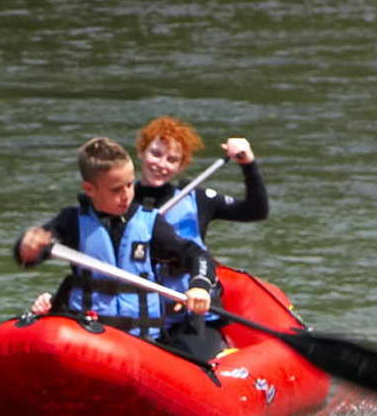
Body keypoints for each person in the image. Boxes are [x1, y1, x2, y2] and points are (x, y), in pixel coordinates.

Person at [14, 136, 214, 342]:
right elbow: (29, 255)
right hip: (87, 335)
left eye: (129, 185)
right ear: (90, 190)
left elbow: (196, 254)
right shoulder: (71, 221)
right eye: (116, 189)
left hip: (142, 340)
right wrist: (28, 247)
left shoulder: (149, 223)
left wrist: (199, 285)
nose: (126, 195)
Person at [134, 116, 270, 246]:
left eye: (172, 160)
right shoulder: (123, 200)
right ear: (141, 152)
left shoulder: (198, 199)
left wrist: (248, 164)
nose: (161, 164)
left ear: (181, 166)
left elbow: (257, 211)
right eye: (156, 154)